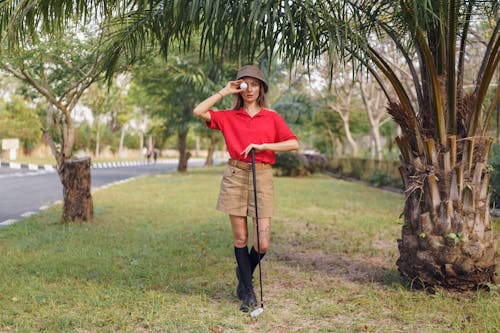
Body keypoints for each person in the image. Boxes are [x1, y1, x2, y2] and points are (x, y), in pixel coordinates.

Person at [193, 65, 299, 312]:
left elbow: (293, 143)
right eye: (244, 84)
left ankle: (243, 274)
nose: (249, 89)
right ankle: (248, 293)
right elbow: (199, 110)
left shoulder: (271, 116)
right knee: (240, 237)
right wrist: (224, 91)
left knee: (262, 243)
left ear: (261, 87)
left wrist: (263, 146)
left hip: (261, 176)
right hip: (235, 175)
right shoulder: (228, 117)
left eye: (254, 84)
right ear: (238, 88)